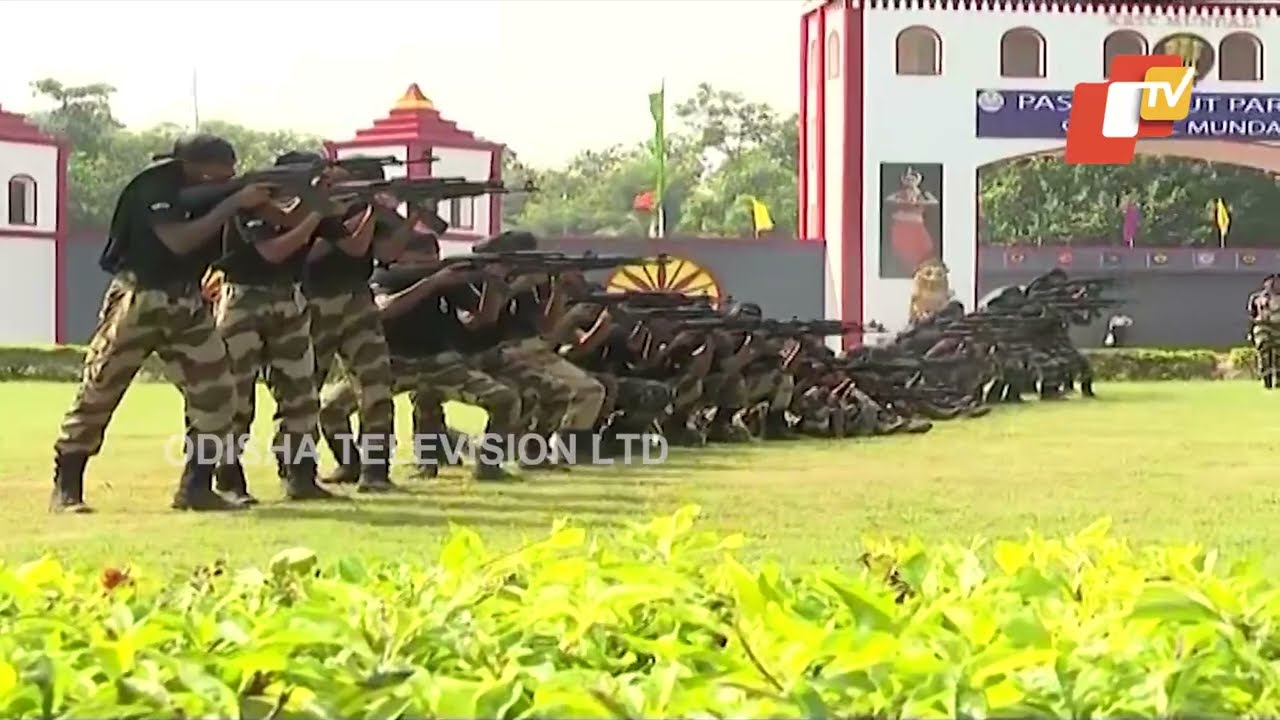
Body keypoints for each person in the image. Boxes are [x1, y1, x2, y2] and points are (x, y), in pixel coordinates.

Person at [52, 134, 270, 513]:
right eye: (223, 171)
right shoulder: (154, 186)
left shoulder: (210, 193)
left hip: (185, 301)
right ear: (197, 166)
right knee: (101, 388)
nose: (229, 176)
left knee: (218, 391)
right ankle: (67, 486)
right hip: (140, 297)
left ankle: (196, 488)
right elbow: (178, 241)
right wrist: (233, 201)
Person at [207, 153, 343, 502]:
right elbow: (274, 251)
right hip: (243, 302)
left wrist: (329, 201)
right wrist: (316, 210)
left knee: (301, 393)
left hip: (288, 299)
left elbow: (333, 234)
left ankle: (300, 474)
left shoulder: (292, 208)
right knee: (236, 395)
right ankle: (227, 477)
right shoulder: (246, 205)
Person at [283, 153, 414, 489]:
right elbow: (314, 253)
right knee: (303, 391)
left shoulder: (364, 210)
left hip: (358, 300)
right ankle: (298, 472)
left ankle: (375, 471)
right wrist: (347, 213)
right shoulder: (307, 207)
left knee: (376, 386)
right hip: (317, 300)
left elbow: (387, 253)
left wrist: (406, 216)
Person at [1248, 274, 1280, 389]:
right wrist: (1251, 332)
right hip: (1263, 328)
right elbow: (1252, 316)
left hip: (1278, 329)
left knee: (1278, 356)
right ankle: (1266, 380)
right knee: (1264, 353)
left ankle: (1278, 381)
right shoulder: (1257, 298)